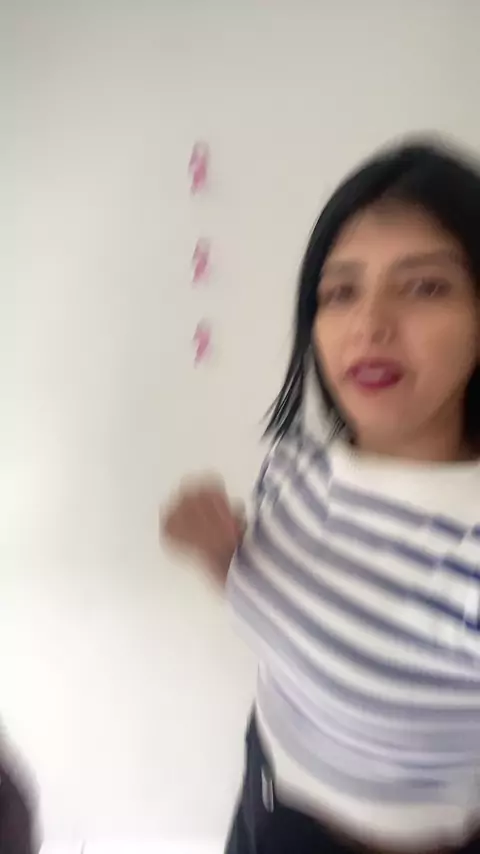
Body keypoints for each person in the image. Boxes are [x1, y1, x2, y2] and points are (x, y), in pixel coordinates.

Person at [162, 138, 480, 854]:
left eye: (425, 287)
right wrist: (222, 553)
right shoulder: (295, 465)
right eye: (340, 292)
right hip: (263, 786)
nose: (370, 324)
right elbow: (294, 610)